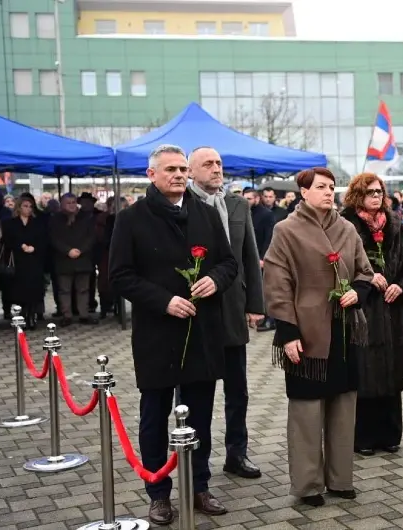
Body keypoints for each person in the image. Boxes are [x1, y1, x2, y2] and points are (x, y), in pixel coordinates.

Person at [109, 144, 238, 524]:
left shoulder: (205, 212)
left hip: (201, 332)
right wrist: (163, 301)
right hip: (157, 333)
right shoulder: (131, 219)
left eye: (183, 169)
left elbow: (229, 262)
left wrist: (215, 280)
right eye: (171, 169)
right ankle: (158, 492)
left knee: (199, 413)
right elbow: (119, 276)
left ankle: (199, 485)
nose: (179, 175)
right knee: (154, 415)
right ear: (151, 175)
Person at [263, 167, 375, 507]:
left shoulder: (347, 228)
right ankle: (309, 484)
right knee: (307, 412)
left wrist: (357, 291)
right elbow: (277, 282)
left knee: (343, 408)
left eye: (332, 187)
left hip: (344, 331)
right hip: (306, 332)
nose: (329, 192)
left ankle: (340, 479)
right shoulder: (286, 230)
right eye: (322, 187)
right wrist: (287, 332)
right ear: (304, 192)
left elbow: (365, 272)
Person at [188, 147, 266, 478]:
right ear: (190, 171)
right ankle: (196, 463)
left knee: (238, 390)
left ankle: (237, 453)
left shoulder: (237, 204)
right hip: (196, 311)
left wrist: (255, 306)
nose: (216, 168)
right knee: (196, 395)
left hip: (233, 307)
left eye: (219, 163)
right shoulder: (182, 206)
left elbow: (250, 254)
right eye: (208, 164)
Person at [339, 172, 403, 456]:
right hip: (364, 309)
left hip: (392, 310)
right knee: (364, 371)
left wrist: (402, 286)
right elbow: (337, 264)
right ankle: (362, 437)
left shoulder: (396, 223)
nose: (376, 196)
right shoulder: (345, 223)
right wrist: (367, 277)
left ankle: (389, 434)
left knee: (391, 371)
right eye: (370, 192)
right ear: (357, 194)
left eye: (379, 192)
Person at [49, 193, 98, 327]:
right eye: (68, 202)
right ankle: (67, 315)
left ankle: (84, 314)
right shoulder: (55, 219)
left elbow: (91, 237)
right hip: (63, 259)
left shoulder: (86, 218)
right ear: (62, 204)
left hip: (83, 258)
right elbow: (53, 238)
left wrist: (81, 250)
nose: (71, 205)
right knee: (64, 290)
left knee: (83, 289)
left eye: (73, 202)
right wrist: (67, 250)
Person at [3, 196, 48, 328]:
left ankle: (31, 315)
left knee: (34, 289)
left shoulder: (37, 223)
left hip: (34, 260)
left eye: (30, 206)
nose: (28, 209)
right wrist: (21, 246)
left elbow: (44, 239)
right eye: (25, 206)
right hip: (18, 261)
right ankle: (22, 315)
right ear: (19, 207)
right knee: (19, 290)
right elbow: (7, 240)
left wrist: (34, 247)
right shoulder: (10, 223)